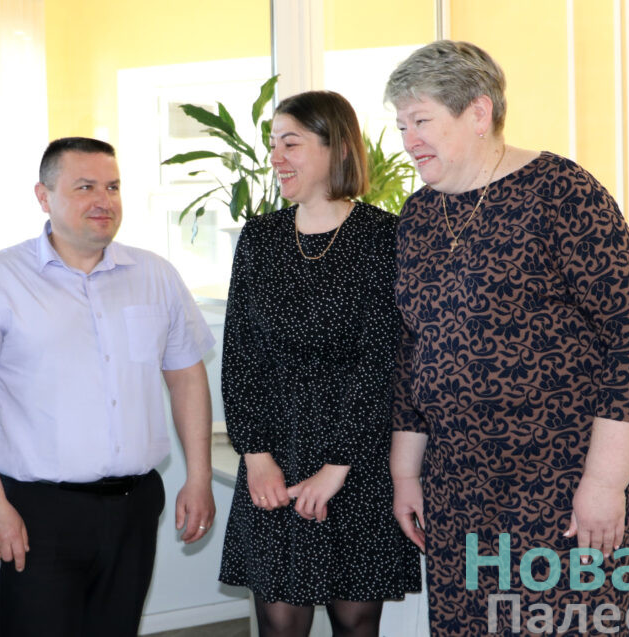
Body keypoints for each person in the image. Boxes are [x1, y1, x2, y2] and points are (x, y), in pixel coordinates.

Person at [385, 41, 629, 635]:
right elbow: (414, 350)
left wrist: (605, 483)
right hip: (457, 485)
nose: (409, 140)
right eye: (402, 125)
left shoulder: (563, 192)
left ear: (478, 113)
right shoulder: (418, 216)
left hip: (560, 481)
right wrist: (406, 474)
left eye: (421, 121)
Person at [0, 136, 217, 636]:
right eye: (85, 187)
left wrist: (198, 477)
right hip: (38, 511)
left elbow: (187, 378)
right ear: (43, 197)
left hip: (134, 505)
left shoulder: (156, 275)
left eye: (113, 187)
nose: (104, 200)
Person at [218, 90, 422, 637]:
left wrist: (337, 467)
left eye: (291, 143)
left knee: (356, 622)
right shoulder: (259, 238)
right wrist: (256, 455)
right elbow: (240, 357)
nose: (276, 157)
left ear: (338, 149)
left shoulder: (385, 237)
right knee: (279, 623)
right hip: (274, 456)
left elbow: (383, 365)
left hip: (357, 457)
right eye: (273, 144)